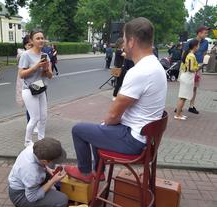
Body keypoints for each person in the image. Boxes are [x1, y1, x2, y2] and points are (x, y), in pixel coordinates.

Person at [64, 17, 167, 183]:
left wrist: (106, 123)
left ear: (132, 42)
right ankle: (100, 172)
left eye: (125, 40)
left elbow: (113, 116)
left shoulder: (139, 71)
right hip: (144, 137)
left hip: (133, 141)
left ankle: (84, 172)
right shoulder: (156, 65)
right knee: (100, 128)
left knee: (79, 130)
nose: (123, 44)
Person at [8, 137, 68, 207]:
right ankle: (25, 206)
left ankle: (45, 187)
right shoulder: (32, 172)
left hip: (26, 181)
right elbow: (32, 197)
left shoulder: (35, 147)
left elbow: (41, 163)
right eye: (53, 160)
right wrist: (52, 181)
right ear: (44, 161)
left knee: (49, 170)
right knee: (62, 200)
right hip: (20, 195)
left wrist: (48, 169)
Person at [19, 30, 53, 147]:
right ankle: (27, 142)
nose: (41, 40)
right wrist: (36, 66)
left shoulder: (45, 56)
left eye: (42, 38)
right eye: (37, 38)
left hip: (39, 87)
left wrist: (46, 69)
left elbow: (50, 76)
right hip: (28, 89)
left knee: (43, 117)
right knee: (35, 118)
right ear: (32, 41)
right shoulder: (26, 55)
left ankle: (41, 140)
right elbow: (21, 74)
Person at [185, 26, 209, 114]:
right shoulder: (189, 42)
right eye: (205, 33)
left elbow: (204, 54)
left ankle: (191, 106)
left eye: (207, 33)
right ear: (199, 33)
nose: (206, 34)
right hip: (188, 68)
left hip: (198, 68)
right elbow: (184, 55)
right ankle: (180, 105)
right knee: (186, 86)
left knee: (194, 88)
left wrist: (202, 64)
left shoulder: (206, 42)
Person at [174, 39, 200, 120]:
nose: (199, 47)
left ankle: (179, 114)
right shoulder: (191, 55)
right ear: (195, 46)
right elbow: (191, 68)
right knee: (183, 97)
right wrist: (198, 67)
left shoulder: (188, 54)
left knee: (183, 97)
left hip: (186, 76)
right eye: (198, 45)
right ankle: (178, 115)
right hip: (188, 77)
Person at [16, 35, 33, 123]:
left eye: (32, 45)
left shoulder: (35, 54)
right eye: (29, 45)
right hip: (26, 83)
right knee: (30, 105)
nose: (31, 47)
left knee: (37, 104)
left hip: (36, 82)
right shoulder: (23, 55)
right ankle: (30, 124)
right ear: (25, 46)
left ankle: (35, 124)